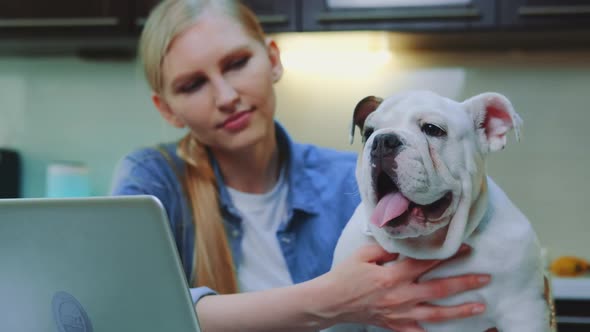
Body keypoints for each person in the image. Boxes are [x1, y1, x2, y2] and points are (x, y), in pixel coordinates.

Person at [110, 0, 491, 330]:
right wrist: (329, 300)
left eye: (237, 63)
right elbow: (127, 313)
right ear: (166, 109)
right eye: (193, 85)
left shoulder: (352, 179)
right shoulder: (154, 180)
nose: (226, 97)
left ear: (273, 60)